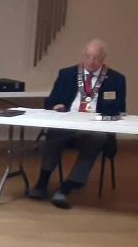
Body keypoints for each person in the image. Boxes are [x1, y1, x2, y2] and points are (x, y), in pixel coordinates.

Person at [28, 39, 127, 209]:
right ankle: (42, 183)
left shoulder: (116, 79)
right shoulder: (67, 74)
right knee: (54, 132)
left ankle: (66, 188)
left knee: (96, 138)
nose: (91, 61)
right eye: (88, 57)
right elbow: (51, 101)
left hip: (95, 126)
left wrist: (105, 111)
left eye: (96, 58)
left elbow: (120, 108)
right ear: (83, 55)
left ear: (103, 58)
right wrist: (56, 106)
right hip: (68, 123)